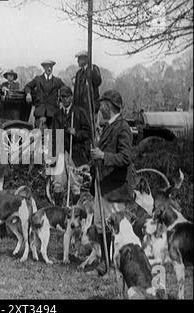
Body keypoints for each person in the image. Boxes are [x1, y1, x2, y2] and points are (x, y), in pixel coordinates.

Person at [90, 89, 134, 275]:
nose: (100, 108)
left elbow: (126, 157)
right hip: (102, 184)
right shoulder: (108, 126)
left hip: (115, 187)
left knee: (115, 226)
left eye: (102, 104)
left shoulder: (122, 127)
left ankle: (117, 264)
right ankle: (104, 262)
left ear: (109, 106)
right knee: (100, 223)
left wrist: (103, 156)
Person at [24, 60, 65, 129]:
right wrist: (28, 93)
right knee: (41, 136)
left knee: (58, 136)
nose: (49, 69)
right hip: (40, 113)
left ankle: (57, 139)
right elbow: (27, 86)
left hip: (53, 113)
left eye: (51, 67)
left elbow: (65, 90)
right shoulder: (38, 79)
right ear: (44, 68)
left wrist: (62, 99)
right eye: (47, 67)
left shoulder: (57, 81)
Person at [73, 50, 102, 118]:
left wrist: (89, 70)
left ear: (85, 59)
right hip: (80, 108)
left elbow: (98, 81)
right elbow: (76, 92)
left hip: (91, 107)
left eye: (79, 59)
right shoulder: (79, 73)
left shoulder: (94, 68)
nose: (78, 61)